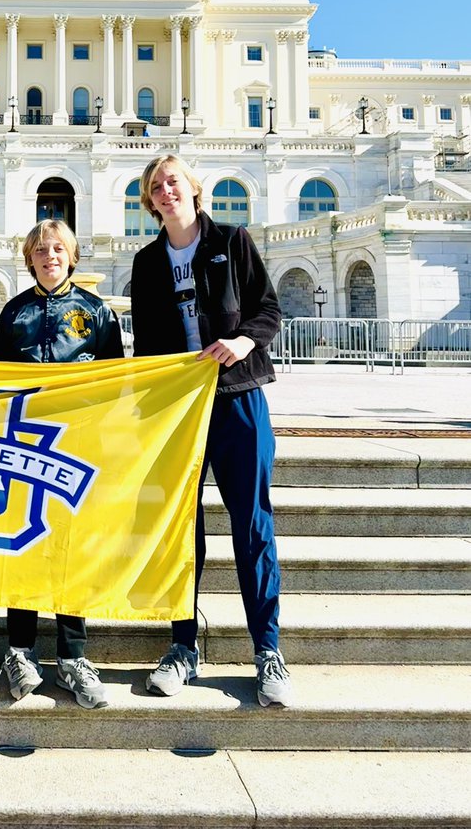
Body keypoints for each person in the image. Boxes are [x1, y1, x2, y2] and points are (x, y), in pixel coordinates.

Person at [129, 154, 292, 708]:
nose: (166, 190)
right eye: (156, 186)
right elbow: (148, 347)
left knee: (252, 526)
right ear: (150, 202)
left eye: (173, 180)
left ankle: (267, 650)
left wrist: (245, 341)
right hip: (180, 410)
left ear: (193, 189)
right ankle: (182, 647)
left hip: (239, 398)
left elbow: (267, 310)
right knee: (182, 531)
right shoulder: (148, 262)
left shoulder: (233, 240)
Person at [0, 219, 124, 710]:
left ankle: (73, 655)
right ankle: (19, 651)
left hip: (77, 444)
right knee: (23, 541)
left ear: (72, 257)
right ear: (30, 258)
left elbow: (114, 378)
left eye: (58, 249)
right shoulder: (14, 312)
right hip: (24, 444)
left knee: (71, 545)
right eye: (41, 250)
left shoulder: (97, 313)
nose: (50, 256)